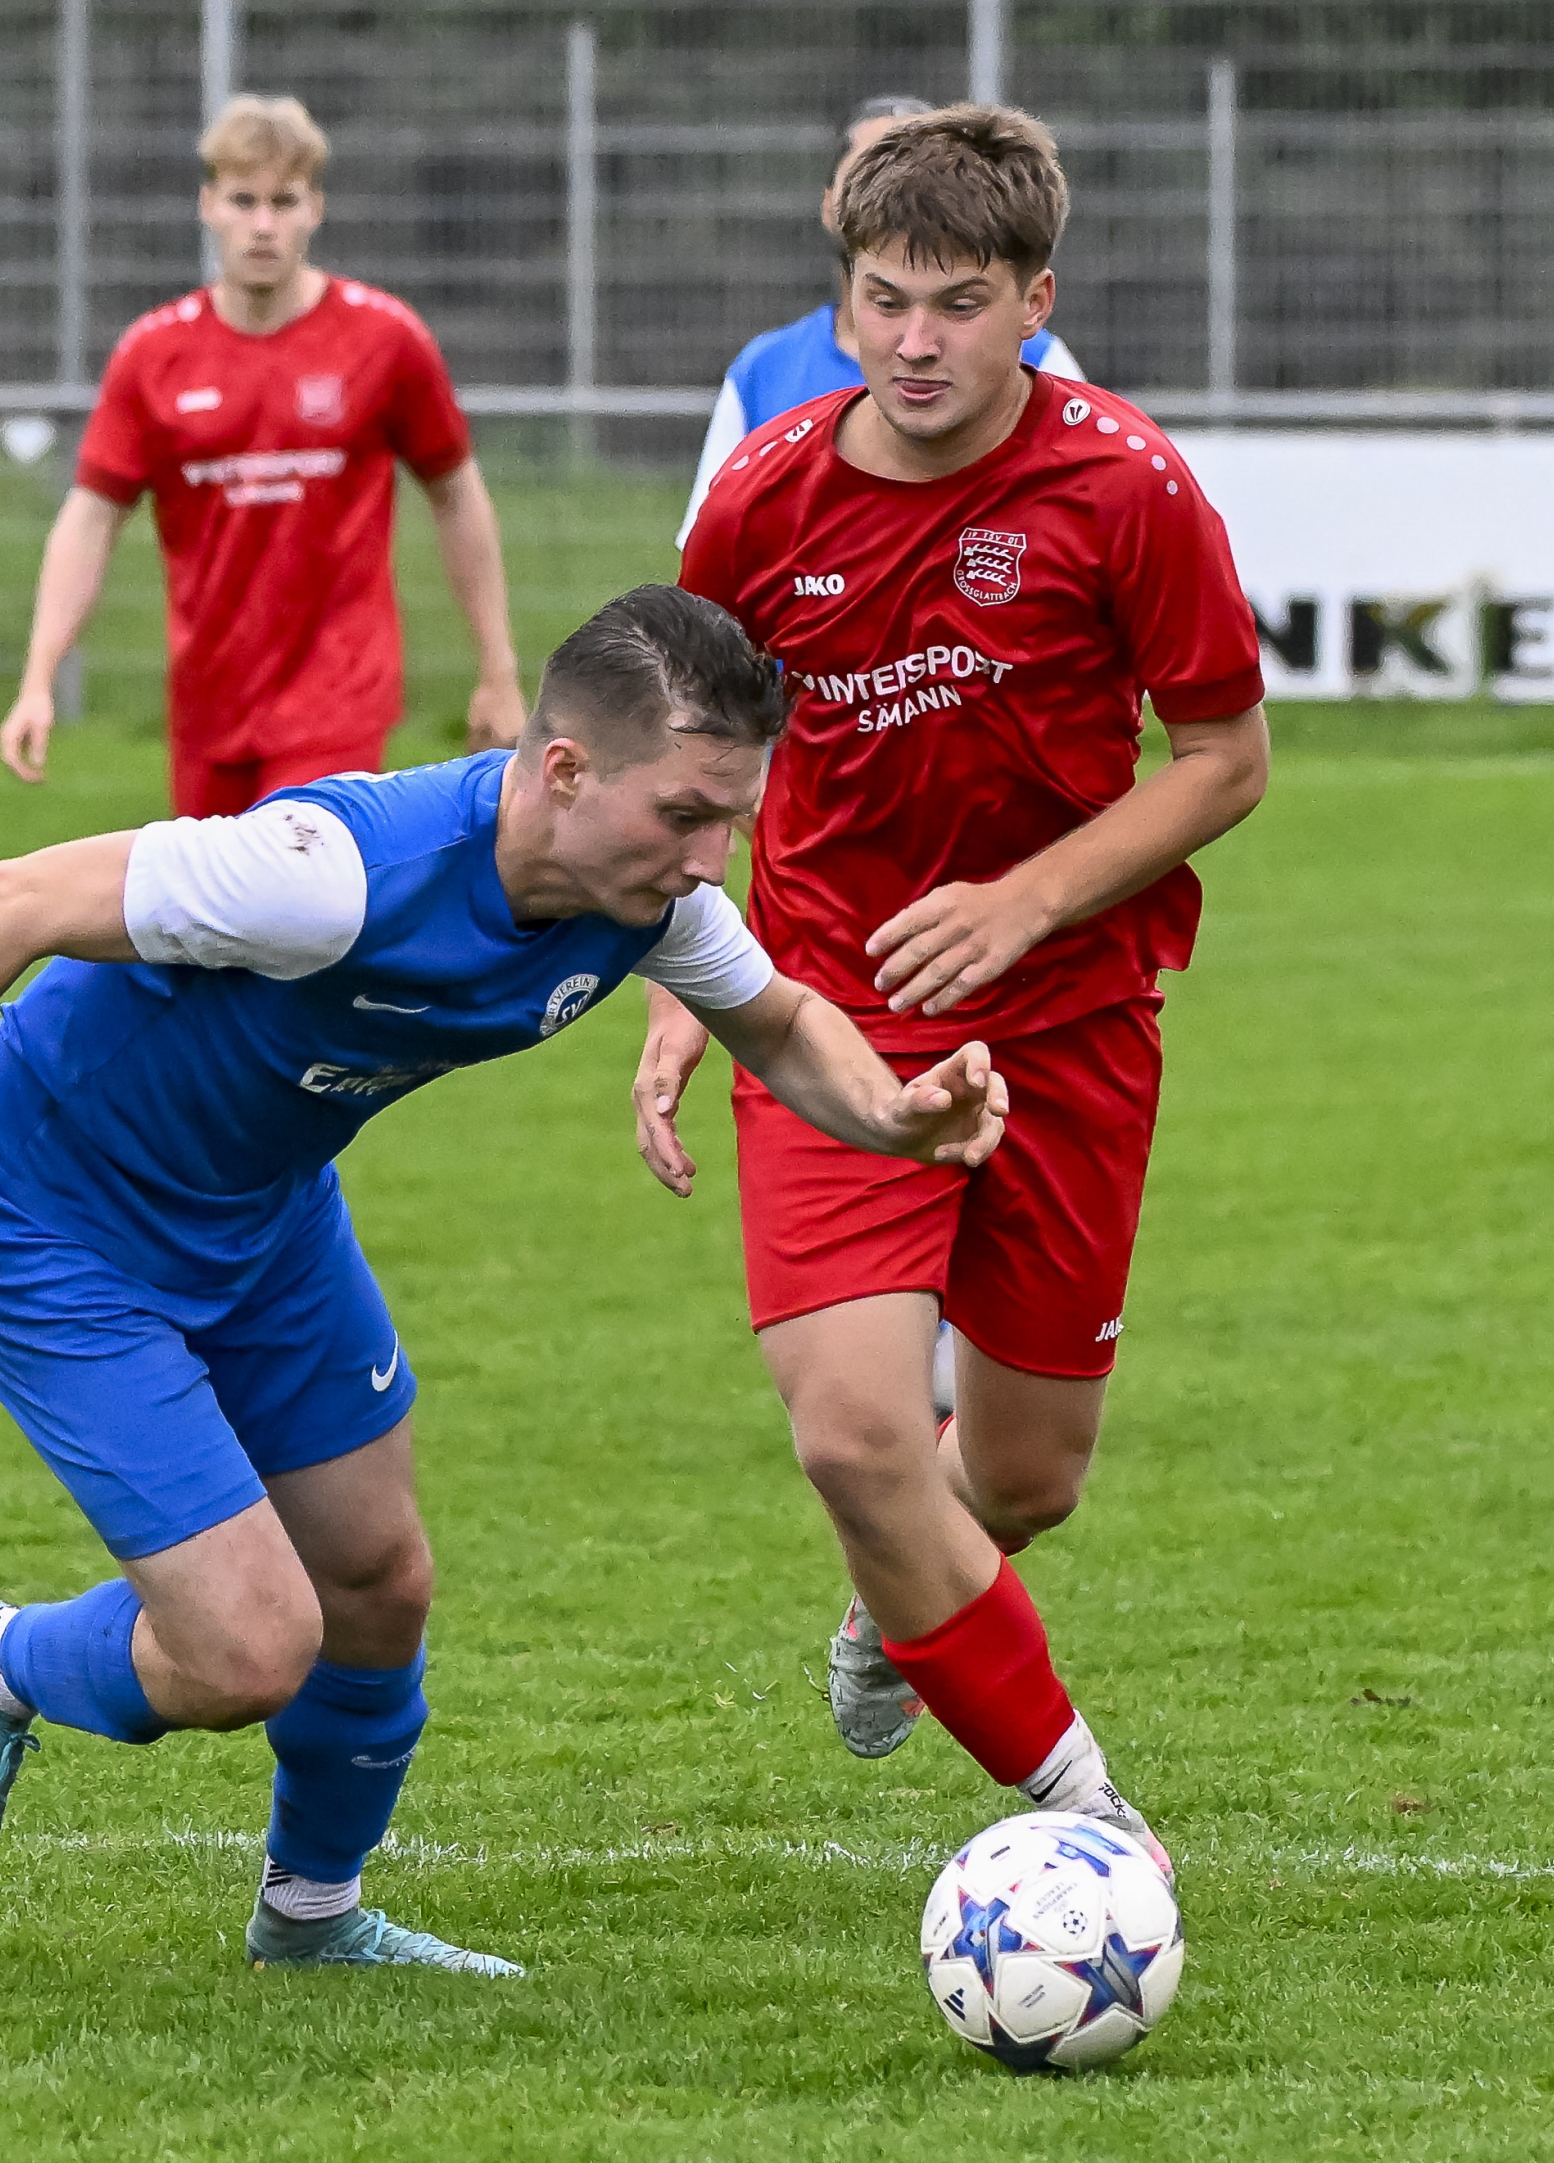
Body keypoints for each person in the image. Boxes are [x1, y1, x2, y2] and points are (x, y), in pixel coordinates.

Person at [0, 585, 1008, 1972]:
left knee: (376, 1579)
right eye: (684, 814)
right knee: (245, 1649)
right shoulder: (327, 874)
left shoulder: (645, 903)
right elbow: (10, 899)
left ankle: (310, 1917)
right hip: (53, 1210)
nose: (712, 860)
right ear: (563, 769)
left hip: (264, 1215)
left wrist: (894, 1114)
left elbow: (779, 1022)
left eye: (732, 820)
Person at [646, 107, 1268, 1864]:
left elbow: (1225, 755)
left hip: (1070, 1018)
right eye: (884, 298)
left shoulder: (1125, 487)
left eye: (959, 302)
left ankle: (896, 1595)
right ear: (843, 297)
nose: (915, 341)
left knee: (1021, 1477)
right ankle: (1086, 1815)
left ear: (1034, 302)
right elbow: (690, 764)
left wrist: (1026, 900)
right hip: (827, 1009)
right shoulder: (760, 498)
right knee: (858, 1438)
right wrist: (688, 978)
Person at [0, 94, 528, 815]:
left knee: (297, 878)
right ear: (208, 205)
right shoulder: (153, 355)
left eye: (284, 201)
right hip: (208, 705)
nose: (264, 225)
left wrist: (497, 670)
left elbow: (456, 494)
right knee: (210, 889)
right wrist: (38, 678)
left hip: (337, 699)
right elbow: (91, 519)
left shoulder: (384, 340)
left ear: (315, 209)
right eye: (244, 200)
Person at [675, 94, 1083, 549]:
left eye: (961, 307)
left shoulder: (1042, 361)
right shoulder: (766, 367)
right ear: (830, 204)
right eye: (868, 175)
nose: (900, 198)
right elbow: (713, 548)